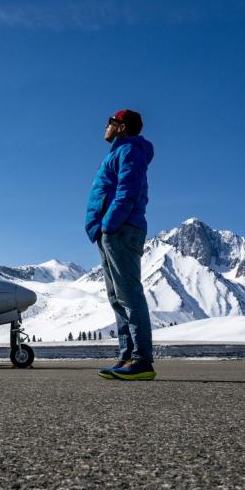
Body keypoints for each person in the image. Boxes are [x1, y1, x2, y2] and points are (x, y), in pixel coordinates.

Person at [85, 109, 156, 380]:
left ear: (122, 126)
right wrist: (100, 229)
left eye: (110, 123)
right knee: (117, 298)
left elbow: (128, 190)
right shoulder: (118, 152)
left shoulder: (130, 152)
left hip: (121, 230)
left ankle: (141, 359)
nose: (106, 127)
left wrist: (109, 224)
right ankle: (127, 357)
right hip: (110, 232)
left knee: (129, 294)